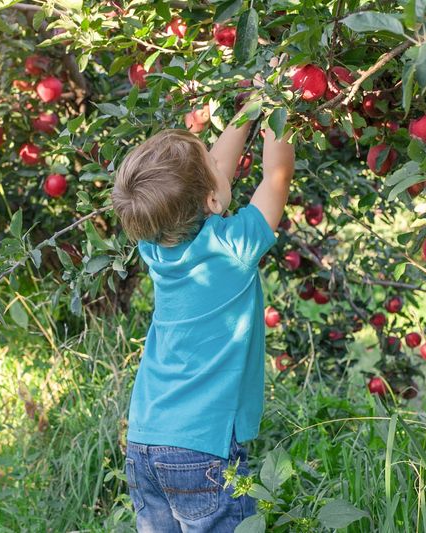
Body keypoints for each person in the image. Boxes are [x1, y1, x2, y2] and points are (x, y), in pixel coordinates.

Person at [111, 97, 295, 532]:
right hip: (202, 449)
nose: (218, 161)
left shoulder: (154, 244)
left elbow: (212, 175)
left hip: (144, 440)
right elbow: (275, 178)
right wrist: (282, 116)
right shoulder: (235, 246)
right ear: (211, 198)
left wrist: (252, 106)